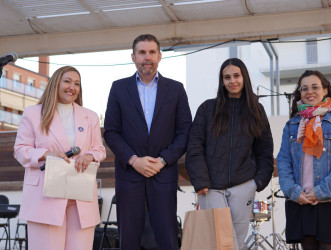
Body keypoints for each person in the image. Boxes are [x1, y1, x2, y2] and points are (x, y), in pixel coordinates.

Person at [103, 34, 192, 250]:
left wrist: (162, 160)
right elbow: (111, 132)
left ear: (160, 56)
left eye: (152, 52)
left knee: (167, 239)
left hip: (163, 174)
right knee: (128, 241)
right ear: (133, 57)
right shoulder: (118, 88)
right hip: (129, 174)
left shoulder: (176, 89)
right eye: (142, 52)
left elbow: (185, 131)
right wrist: (134, 160)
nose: (147, 57)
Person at [14, 66, 106, 250]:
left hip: (80, 194)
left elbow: (99, 149)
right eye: (67, 81)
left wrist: (89, 156)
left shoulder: (91, 116)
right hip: (45, 194)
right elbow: (20, 150)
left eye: (77, 83)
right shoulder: (33, 113)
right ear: (56, 83)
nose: (72, 87)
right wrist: (45, 154)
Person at [185, 58, 274, 249]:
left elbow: (265, 150)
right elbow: (194, 147)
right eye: (227, 77)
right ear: (222, 81)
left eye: (236, 76)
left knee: (236, 243)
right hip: (211, 188)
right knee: (217, 242)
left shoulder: (256, 110)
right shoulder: (207, 108)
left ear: (244, 77)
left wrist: (256, 183)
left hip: (244, 185)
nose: (232, 81)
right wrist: (201, 182)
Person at [277, 70, 331, 250]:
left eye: (315, 87)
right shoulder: (292, 125)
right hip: (302, 202)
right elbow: (283, 162)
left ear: (325, 90)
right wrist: (294, 193)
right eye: (304, 88)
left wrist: (320, 191)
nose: (309, 91)